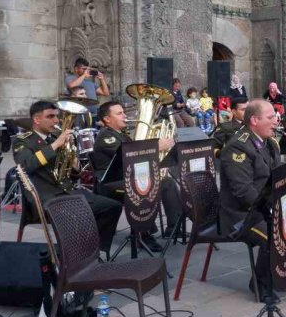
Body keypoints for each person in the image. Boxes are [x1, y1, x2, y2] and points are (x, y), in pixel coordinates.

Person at [218, 99, 286, 293]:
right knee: (275, 234)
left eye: (275, 116)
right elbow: (243, 191)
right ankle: (260, 283)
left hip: (266, 206)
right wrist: (276, 211)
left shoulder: (270, 143)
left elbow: (276, 177)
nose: (276, 121)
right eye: (271, 117)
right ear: (254, 121)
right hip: (243, 215)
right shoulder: (237, 147)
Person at [14, 100, 122, 257]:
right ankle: (76, 257)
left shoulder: (54, 138)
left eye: (57, 117)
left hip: (67, 192)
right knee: (80, 215)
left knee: (112, 206)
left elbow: (70, 175)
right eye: (50, 117)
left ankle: (93, 251)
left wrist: (74, 164)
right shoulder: (23, 140)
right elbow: (26, 165)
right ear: (37, 120)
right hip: (45, 197)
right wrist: (56, 145)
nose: (56, 121)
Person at [90, 101, 179, 252]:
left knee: (167, 182)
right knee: (147, 186)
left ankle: (174, 226)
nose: (125, 116)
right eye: (119, 113)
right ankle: (144, 235)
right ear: (107, 119)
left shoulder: (122, 135)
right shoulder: (106, 137)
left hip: (128, 176)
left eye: (124, 112)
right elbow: (129, 156)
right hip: (111, 182)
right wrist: (156, 147)